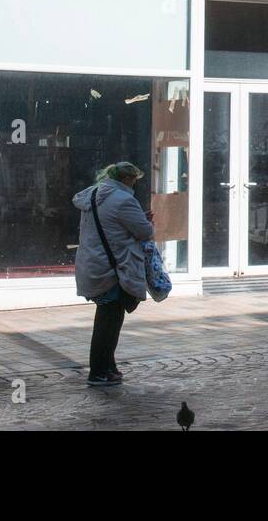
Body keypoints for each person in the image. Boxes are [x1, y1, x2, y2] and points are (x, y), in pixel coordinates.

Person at [74, 162, 154, 386]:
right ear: (127, 179)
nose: (136, 184)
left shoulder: (92, 195)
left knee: (107, 317)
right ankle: (99, 371)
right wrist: (146, 221)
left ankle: (108, 367)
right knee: (109, 321)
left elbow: (112, 225)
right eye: (135, 180)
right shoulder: (124, 200)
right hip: (114, 267)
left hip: (95, 264)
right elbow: (144, 231)